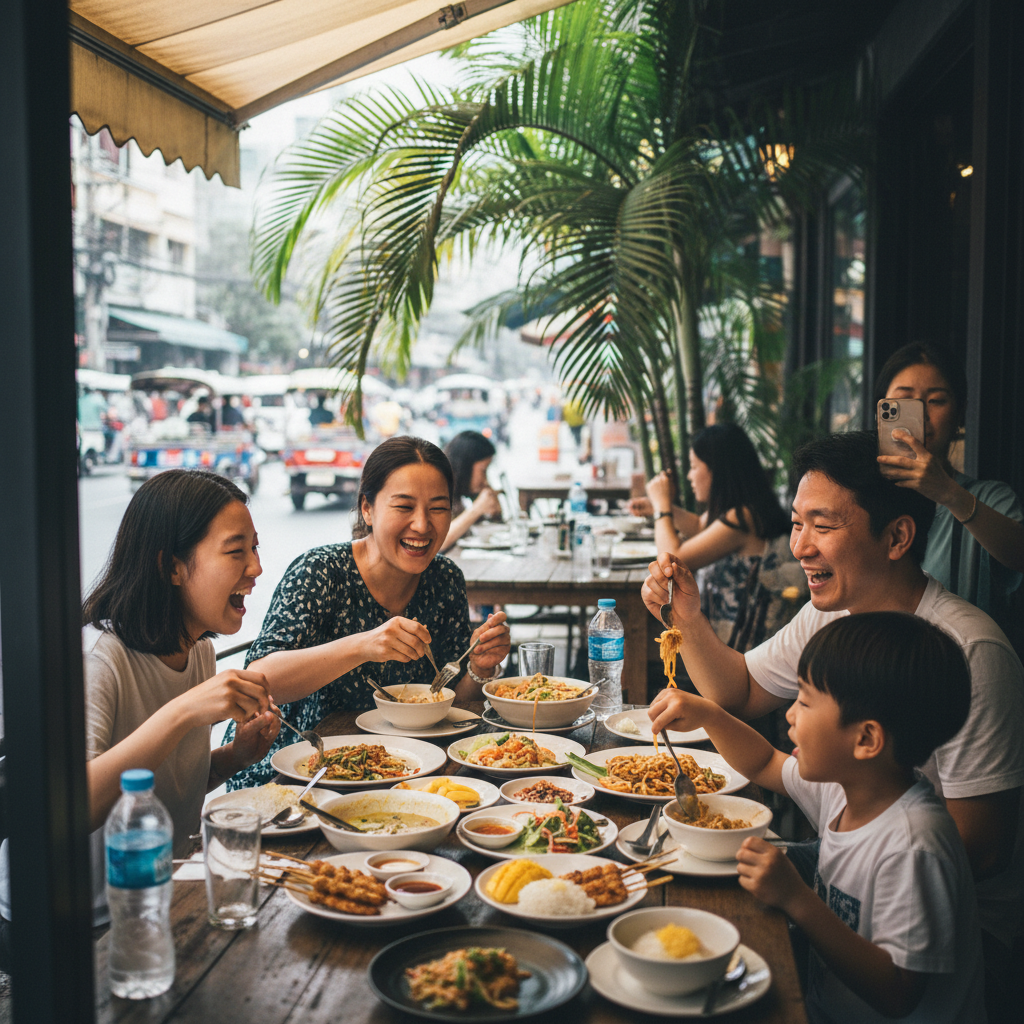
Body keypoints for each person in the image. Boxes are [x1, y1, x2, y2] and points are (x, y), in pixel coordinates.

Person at [641, 430, 1024, 1000]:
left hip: (948, 930)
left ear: (896, 536)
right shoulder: (834, 615)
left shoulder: (969, 653)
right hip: (845, 865)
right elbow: (739, 692)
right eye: (797, 522)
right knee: (675, 866)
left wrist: (805, 891)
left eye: (823, 525)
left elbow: (980, 848)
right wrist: (689, 619)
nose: (799, 546)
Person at [649, 613, 985, 1024]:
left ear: (866, 739)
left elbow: (899, 993)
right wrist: (710, 716)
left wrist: (797, 899)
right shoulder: (847, 783)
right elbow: (762, 761)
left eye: (805, 701)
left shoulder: (914, 846)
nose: (790, 714)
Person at [0, 469, 280, 947]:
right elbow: (73, 806)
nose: (255, 568)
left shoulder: (199, 650)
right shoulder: (95, 657)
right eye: (237, 551)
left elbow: (163, 780)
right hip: (75, 923)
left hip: (160, 895)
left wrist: (235, 758)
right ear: (171, 566)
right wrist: (184, 711)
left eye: (255, 549)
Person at [227, 436, 511, 789]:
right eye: (404, 507)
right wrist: (363, 645)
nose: (423, 525)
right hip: (296, 772)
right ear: (367, 509)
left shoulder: (445, 578)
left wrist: (480, 668)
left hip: (406, 766)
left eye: (438, 507)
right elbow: (259, 681)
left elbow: (453, 699)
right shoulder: (321, 572)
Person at [874, 342, 1024, 635]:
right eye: (905, 402)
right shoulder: (861, 495)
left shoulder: (989, 498)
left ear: (960, 413)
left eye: (936, 401)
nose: (922, 416)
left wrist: (948, 493)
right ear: (882, 410)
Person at [643, 422, 804, 651]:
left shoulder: (741, 517)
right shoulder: (745, 509)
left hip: (745, 648)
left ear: (717, 470)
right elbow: (701, 527)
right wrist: (661, 507)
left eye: (694, 467)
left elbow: (671, 560)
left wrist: (662, 508)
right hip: (735, 638)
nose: (689, 476)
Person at [441, 431, 502, 552]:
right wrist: (477, 509)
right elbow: (437, 543)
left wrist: (494, 511)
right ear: (465, 468)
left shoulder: (459, 494)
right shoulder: (436, 489)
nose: (485, 480)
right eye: (483, 471)